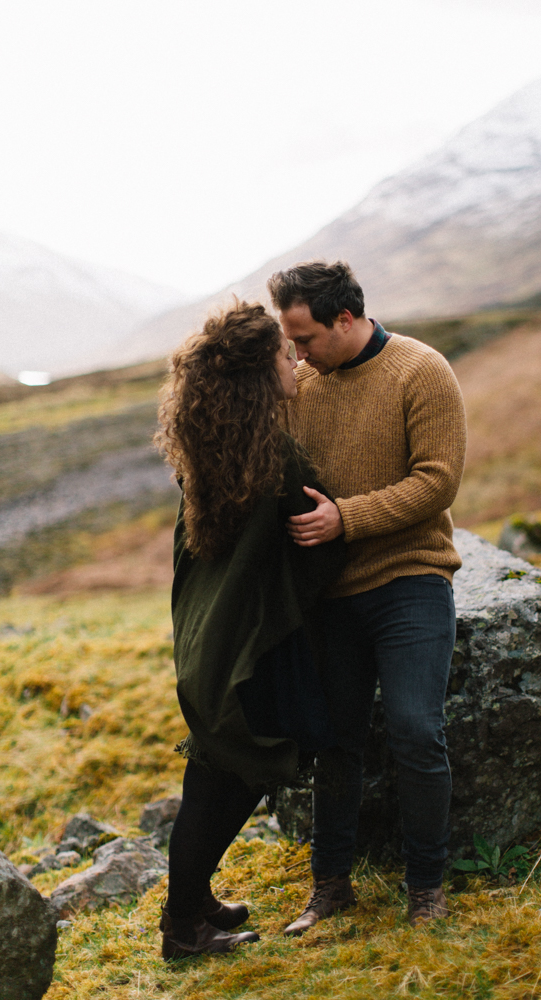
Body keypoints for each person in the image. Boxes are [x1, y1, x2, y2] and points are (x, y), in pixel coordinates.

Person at [267, 260, 467, 931]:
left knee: (415, 729)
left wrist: (344, 518)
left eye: (305, 339)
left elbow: (436, 482)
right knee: (334, 742)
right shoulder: (303, 389)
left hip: (410, 579)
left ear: (345, 319)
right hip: (331, 597)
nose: (296, 354)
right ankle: (330, 887)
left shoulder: (421, 370)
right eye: (289, 343)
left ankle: (426, 889)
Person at [155, 301, 345, 960]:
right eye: (282, 356)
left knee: (213, 769)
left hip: (209, 641)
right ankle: (183, 928)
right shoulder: (276, 463)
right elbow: (319, 549)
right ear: (258, 376)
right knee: (234, 774)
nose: (295, 362)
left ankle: (194, 898)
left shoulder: (213, 451)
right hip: (247, 648)